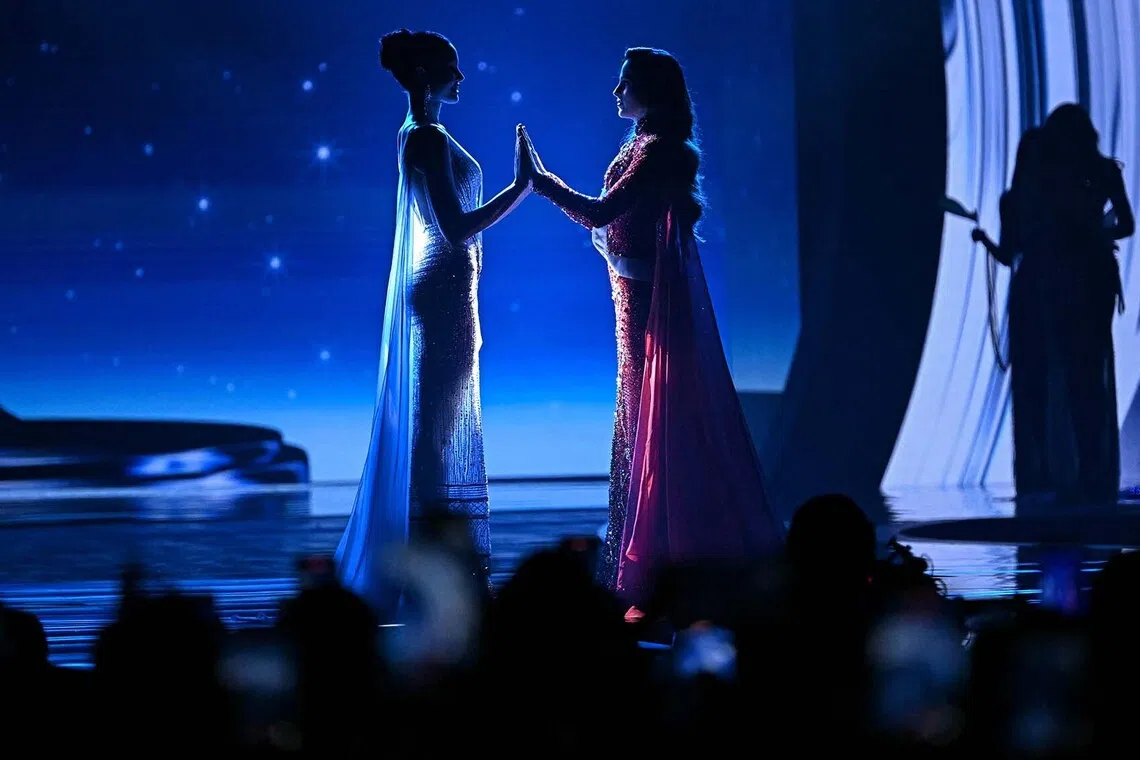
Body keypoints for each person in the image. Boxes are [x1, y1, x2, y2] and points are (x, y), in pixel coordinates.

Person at [520, 47, 782, 612]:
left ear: (650, 90)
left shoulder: (661, 151)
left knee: (659, 423)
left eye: (624, 84)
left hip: (648, 309)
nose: (615, 93)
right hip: (630, 302)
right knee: (641, 422)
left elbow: (599, 214)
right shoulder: (641, 145)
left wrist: (540, 181)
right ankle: (650, 553)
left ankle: (670, 556)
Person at [336, 29, 533, 612]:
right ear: (426, 75)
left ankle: (440, 570)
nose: (462, 76)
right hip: (444, 295)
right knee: (433, 439)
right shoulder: (424, 136)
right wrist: (521, 188)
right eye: (453, 66)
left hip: (450, 294)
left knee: (438, 433)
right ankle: (435, 573)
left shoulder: (426, 134)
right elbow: (455, 226)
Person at [974, 105, 1133, 503]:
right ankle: (1088, 473)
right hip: (1085, 280)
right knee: (1084, 377)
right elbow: (1124, 223)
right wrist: (1099, 231)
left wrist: (1093, 232)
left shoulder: (1051, 184)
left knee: (1067, 378)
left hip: (1068, 282)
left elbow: (1019, 248)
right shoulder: (1095, 174)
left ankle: (1072, 473)